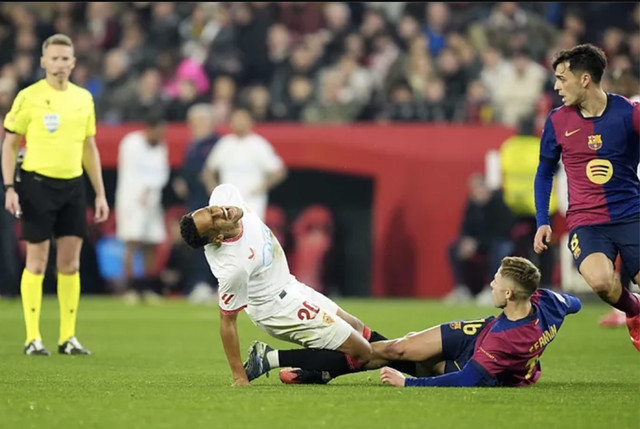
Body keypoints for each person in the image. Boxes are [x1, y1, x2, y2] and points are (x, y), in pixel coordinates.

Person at [260, 257, 581, 387]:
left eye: (496, 282)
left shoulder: (505, 339)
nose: (491, 285)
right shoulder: (548, 301)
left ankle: (275, 359)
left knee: (383, 353)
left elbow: (466, 380)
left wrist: (408, 383)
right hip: (478, 333)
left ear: (510, 293)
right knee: (399, 345)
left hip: (486, 367)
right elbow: (576, 303)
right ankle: (323, 371)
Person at [179, 183, 385, 386]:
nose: (219, 212)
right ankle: (271, 358)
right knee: (362, 352)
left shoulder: (224, 195)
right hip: (275, 309)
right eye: (214, 220)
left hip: (290, 284)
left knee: (356, 327)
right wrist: (239, 377)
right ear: (218, 238)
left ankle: (322, 373)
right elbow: (227, 322)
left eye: (209, 210)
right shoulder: (233, 267)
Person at [1, 34, 109, 355]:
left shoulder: (83, 99)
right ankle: (33, 337)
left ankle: (67, 337)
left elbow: (89, 146)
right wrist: (9, 187)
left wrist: (99, 193)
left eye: (66, 59)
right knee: (36, 261)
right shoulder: (28, 97)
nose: (61, 64)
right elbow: (9, 144)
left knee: (70, 263)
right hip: (36, 184)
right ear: (43, 62)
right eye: (55, 59)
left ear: (74, 63)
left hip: (73, 185)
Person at [533, 44, 640, 351]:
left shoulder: (628, 114)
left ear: (585, 79)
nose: (556, 86)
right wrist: (543, 220)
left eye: (561, 78)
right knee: (602, 282)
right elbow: (544, 172)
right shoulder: (557, 121)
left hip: (632, 214)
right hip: (587, 222)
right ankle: (634, 310)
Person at [115, 109, 169, 304]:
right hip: (132, 201)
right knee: (131, 242)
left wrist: (151, 191)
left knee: (151, 244)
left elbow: (162, 173)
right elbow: (131, 172)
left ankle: (148, 287)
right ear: (150, 128)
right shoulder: (131, 143)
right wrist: (142, 192)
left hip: (152, 202)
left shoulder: (161, 147)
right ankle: (130, 287)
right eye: (160, 131)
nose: (162, 135)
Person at [200, 109, 287, 221]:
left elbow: (279, 172)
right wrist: (215, 192)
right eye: (236, 120)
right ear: (231, 123)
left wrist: (262, 188)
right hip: (228, 202)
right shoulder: (225, 144)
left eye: (243, 120)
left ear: (250, 122)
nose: (240, 124)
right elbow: (208, 171)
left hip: (252, 201)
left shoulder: (259, 144)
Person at [171, 103, 220, 301]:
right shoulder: (193, 144)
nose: (195, 126)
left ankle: (210, 284)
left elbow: (209, 172)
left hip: (210, 202)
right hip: (195, 201)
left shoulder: (216, 144)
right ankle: (198, 284)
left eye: (199, 121)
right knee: (198, 244)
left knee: (213, 244)